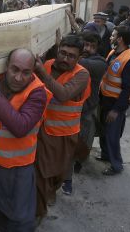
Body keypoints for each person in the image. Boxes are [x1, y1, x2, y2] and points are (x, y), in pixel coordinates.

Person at [0, 49, 50, 231]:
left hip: (16, 169)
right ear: (6, 67)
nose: (18, 77)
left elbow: (20, 127)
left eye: (26, 72)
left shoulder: (38, 93)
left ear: (33, 72)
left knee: (20, 219)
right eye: (14, 70)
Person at [34, 35, 90, 220]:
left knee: (56, 174)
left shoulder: (82, 74)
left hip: (64, 134)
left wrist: (41, 72)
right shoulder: (48, 64)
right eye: (63, 53)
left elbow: (63, 95)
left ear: (79, 58)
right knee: (41, 175)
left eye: (71, 56)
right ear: (57, 51)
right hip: (41, 131)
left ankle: (52, 190)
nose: (65, 59)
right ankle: (38, 214)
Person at [97, 26, 130, 175]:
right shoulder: (113, 52)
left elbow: (128, 88)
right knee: (104, 131)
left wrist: (116, 110)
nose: (110, 37)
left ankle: (116, 165)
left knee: (112, 135)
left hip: (115, 103)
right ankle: (105, 155)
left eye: (113, 35)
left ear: (120, 38)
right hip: (105, 99)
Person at [68, 32, 107, 182]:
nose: (88, 48)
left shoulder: (100, 63)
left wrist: (66, 52)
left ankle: (79, 161)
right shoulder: (79, 57)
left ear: (97, 49)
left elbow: (84, 64)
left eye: (92, 46)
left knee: (85, 138)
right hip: (72, 106)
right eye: (86, 45)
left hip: (87, 108)